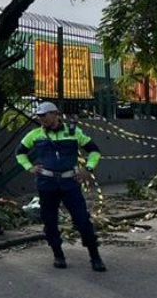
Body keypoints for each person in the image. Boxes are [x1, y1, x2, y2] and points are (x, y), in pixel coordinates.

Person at [16, 102, 106, 271]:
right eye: (39, 116)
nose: (41, 119)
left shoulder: (73, 133)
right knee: (49, 221)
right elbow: (19, 152)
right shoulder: (35, 135)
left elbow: (94, 151)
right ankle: (58, 255)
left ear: (55, 114)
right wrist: (29, 167)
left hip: (69, 182)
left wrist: (88, 169)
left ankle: (95, 256)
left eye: (44, 115)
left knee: (81, 219)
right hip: (46, 183)